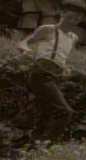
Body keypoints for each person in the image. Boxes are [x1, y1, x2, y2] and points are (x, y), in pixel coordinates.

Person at [15, 9, 81, 145]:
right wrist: (26, 52)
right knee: (64, 111)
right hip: (42, 73)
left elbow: (61, 56)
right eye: (70, 17)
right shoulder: (48, 29)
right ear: (63, 15)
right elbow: (23, 43)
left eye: (76, 19)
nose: (72, 21)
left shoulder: (73, 38)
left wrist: (65, 67)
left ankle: (34, 145)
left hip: (57, 76)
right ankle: (48, 144)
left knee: (46, 113)